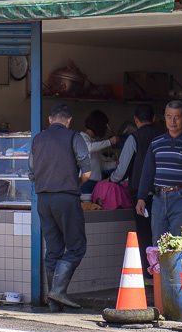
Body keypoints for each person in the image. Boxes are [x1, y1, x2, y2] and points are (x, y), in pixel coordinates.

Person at [29, 103, 91, 311]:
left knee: (53, 249)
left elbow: (31, 172)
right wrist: (76, 183)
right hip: (66, 197)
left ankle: (54, 303)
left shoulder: (38, 139)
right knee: (76, 247)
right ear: (69, 120)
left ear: (49, 119)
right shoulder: (75, 137)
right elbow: (87, 172)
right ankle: (58, 291)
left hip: (43, 199)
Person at [109, 104, 162, 272]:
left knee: (145, 232)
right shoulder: (163, 136)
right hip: (163, 192)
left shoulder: (134, 138)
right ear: (154, 119)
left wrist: (112, 179)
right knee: (162, 232)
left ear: (136, 120)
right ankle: (163, 272)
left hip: (140, 195)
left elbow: (122, 169)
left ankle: (149, 271)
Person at [135, 100, 182, 244]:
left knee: (179, 243)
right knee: (158, 243)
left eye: (177, 117)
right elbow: (147, 172)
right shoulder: (156, 143)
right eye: (169, 116)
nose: (172, 121)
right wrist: (141, 197)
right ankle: (159, 268)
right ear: (164, 118)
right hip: (159, 198)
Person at [79, 110, 119, 193]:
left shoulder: (93, 142)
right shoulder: (81, 137)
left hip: (96, 182)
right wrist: (109, 142)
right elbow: (89, 148)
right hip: (86, 183)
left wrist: (116, 164)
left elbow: (100, 165)